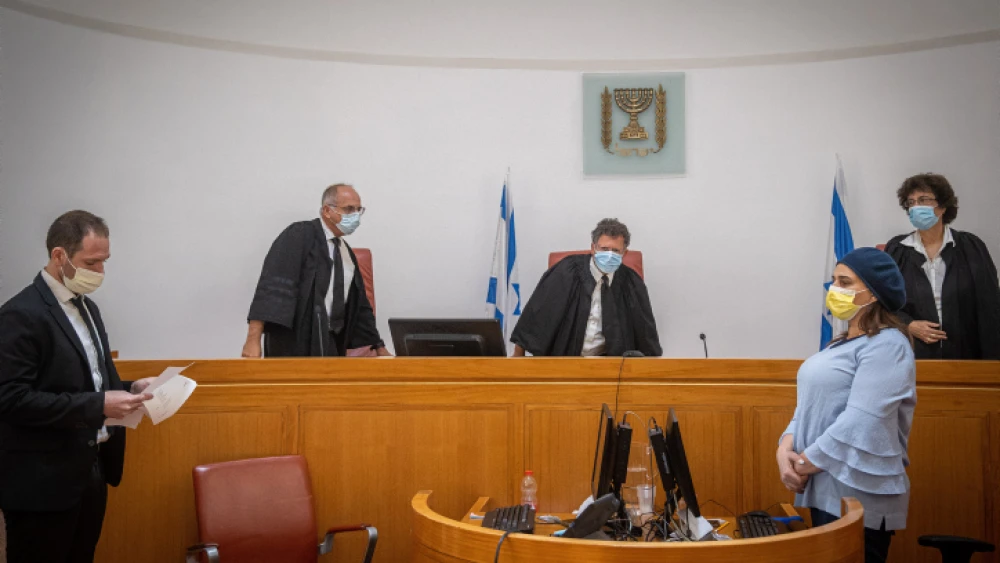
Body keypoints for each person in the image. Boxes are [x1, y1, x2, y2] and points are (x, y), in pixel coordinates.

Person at [0, 210, 155, 563]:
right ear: (59, 256)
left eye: (104, 262)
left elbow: (92, 381)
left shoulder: (88, 308)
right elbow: (10, 399)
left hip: (90, 469)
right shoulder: (20, 314)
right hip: (40, 483)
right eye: (92, 262)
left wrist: (132, 388)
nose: (100, 272)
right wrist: (97, 406)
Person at [778, 247, 916, 563]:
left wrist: (802, 463)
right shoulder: (839, 344)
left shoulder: (889, 344)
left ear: (874, 291)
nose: (834, 289)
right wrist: (784, 449)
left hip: (857, 490)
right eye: (833, 280)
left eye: (845, 282)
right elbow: (808, 407)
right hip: (821, 480)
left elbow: (863, 419)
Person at [243, 183, 390, 357]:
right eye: (349, 209)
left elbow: (359, 305)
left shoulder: (345, 251)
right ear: (327, 211)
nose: (355, 216)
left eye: (359, 210)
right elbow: (271, 288)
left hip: (331, 341)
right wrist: (252, 340)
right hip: (294, 341)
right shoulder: (299, 234)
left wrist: (379, 347)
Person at [884, 173, 1000, 359]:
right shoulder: (897, 250)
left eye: (923, 200)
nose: (915, 207)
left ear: (943, 206)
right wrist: (908, 324)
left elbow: (989, 305)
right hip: (911, 353)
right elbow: (884, 302)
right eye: (911, 202)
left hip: (965, 353)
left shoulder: (971, 246)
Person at [510, 218, 662, 357]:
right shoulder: (566, 270)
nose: (609, 255)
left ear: (625, 252)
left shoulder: (632, 283)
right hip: (564, 359)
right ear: (593, 248)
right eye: (604, 249)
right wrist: (518, 357)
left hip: (610, 364)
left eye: (615, 251)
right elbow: (536, 314)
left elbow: (645, 333)